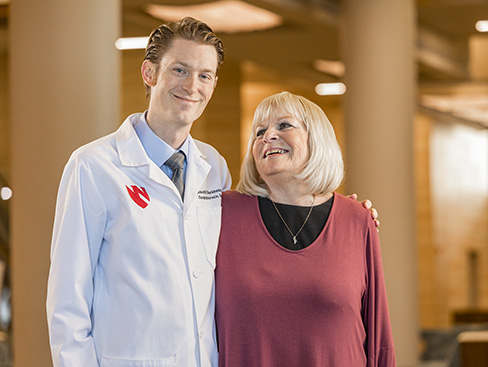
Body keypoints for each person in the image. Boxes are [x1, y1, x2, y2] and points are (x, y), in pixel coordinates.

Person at [47, 17, 229, 366]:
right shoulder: (93, 167)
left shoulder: (215, 168)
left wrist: (340, 214)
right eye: (179, 70)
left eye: (205, 75)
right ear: (149, 73)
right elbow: (68, 301)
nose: (193, 85)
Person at [215, 91, 395, 366]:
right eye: (259, 131)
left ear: (316, 139)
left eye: (284, 125)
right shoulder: (222, 214)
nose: (268, 136)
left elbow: (378, 336)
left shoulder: (357, 220)